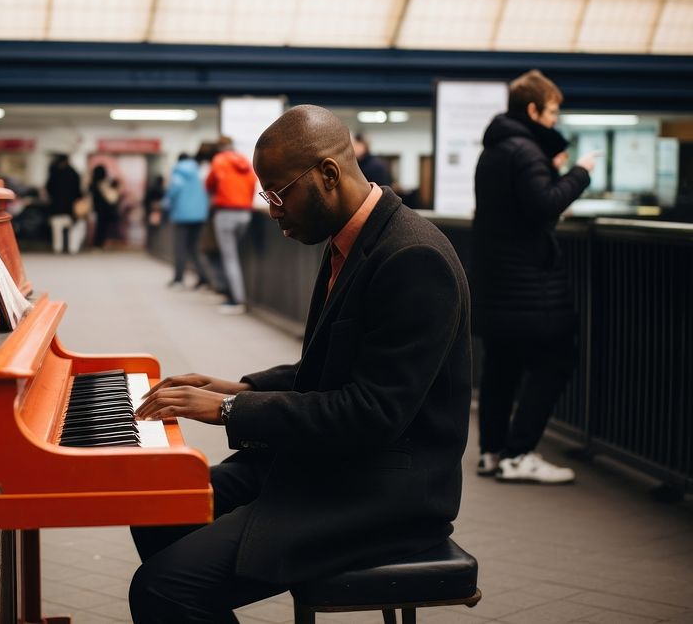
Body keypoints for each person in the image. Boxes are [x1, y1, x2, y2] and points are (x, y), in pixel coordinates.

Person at [129, 105, 472, 623]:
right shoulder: (354, 240)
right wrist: (237, 386)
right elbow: (333, 369)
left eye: (276, 192)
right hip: (336, 464)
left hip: (383, 492)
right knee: (158, 507)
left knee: (164, 588)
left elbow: (370, 413)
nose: (271, 209)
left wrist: (226, 410)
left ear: (328, 175)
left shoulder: (412, 258)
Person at [472, 69, 598, 484]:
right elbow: (544, 205)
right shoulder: (524, 151)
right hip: (529, 286)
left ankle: (492, 452)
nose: (555, 120)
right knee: (557, 359)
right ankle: (520, 451)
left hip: (497, 282)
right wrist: (578, 173)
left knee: (501, 366)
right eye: (553, 111)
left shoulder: (494, 150)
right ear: (532, 109)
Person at [206, 136, 257, 314]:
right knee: (235, 255)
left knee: (229, 257)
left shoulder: (219, 161)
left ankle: (237, 300)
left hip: (226, 213)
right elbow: (252, 184)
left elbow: (209, 184)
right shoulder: (245, 162)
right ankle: (237, 294)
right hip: (245, 214)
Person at [165, 153, 210, 289]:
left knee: (180, 248)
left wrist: (165, 205)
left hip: (182, 215)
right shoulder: (199, 171)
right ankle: (203, 278)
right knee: (195, 248)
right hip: (200, 215)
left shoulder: (178, 171)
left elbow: (174, 191)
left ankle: (179, 279)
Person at [45, 154, 86, 254]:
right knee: (74, 228)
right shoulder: (74, 173)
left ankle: (57, 248)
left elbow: (48, 188)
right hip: (71, 209)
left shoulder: (54, 173)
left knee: (57, 230)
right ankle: (73, 248)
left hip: (56, 209)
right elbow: (79, 192)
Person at [90, 165, 122, 249]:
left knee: (100, 226)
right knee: (102, 227)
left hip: (97, 208)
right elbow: (111, 197)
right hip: (105, 208)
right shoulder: (104, 183)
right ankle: (98, 244)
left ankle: (98, 244)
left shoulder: (93, 183)